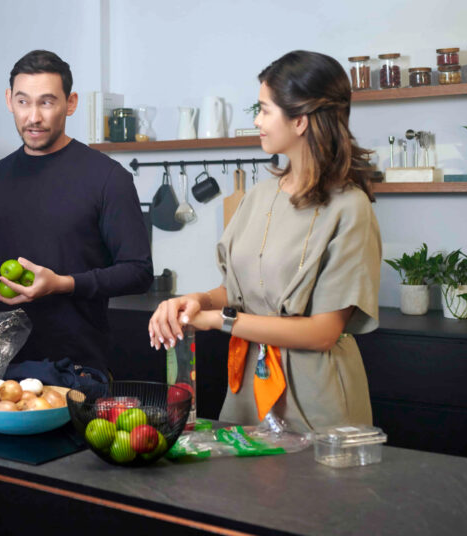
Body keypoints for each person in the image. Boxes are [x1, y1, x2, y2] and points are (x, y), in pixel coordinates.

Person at [148, 50, 381, 433]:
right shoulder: (259, 196)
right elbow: (240, 290)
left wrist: (218, 321)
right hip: (246, 392)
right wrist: (198, 301)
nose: (256, 121)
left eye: (264, 109)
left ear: (301, 120)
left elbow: (323, 332)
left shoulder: (349, 207)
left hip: (315, 398)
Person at [0, 49, 153, 372]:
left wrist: (62, 283)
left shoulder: (107, 178)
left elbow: (138, 271)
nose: (33, 117)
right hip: (2, 371)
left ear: (70, 103)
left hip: (78, 371)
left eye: (47, 102)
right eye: (23, 101)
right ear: (9, 100)